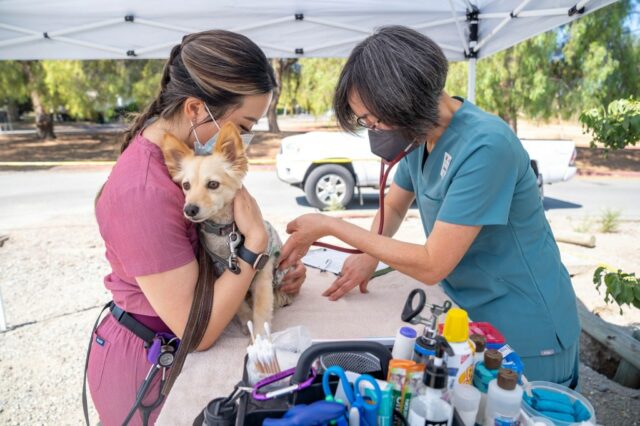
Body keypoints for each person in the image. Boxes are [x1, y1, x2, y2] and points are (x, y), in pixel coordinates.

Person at [279, 26, 580, 387]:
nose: (371, 129)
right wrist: (368, 256)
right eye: (365, 121)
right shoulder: (420, 138)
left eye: (373, 119)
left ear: (405, 100)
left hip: (525, 328)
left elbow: (433, 263)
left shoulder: (485, 147)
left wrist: (330, 225)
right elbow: (392, 208)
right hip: (470, 318)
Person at [87, 30, 306, 425]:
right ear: (194, 109)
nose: (240, 140)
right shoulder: (144, 193)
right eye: (241, 125)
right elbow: (198, 330)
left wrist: (269, 274)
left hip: (164, 348)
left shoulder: (183, 163)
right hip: (145, 367)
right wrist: (254, 248)